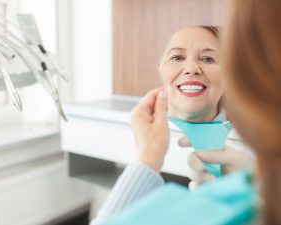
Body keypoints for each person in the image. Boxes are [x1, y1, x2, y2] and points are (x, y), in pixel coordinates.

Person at [91, 0, 281, 224]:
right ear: (160, 69)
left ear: (231, 72)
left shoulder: (258, 142)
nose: (191, 68)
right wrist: (147, 160)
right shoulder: (122, 144)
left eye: (208, 58)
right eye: (177, 57)